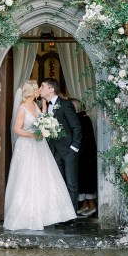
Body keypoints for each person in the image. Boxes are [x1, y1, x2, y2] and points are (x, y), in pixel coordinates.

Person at [3, 80, 76, 231]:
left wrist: (45, 120)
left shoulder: (35, 105)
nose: (39, 91)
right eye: (37, 89)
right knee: (27, 178)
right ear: (31, 92)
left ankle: (45, 214)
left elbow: (42, 118)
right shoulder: (22, 108)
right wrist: (33, 134)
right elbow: (17, 129)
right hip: (27, 146)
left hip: (39, 146)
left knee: (43, 177)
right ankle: (27, 215)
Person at [39, 78, 82, 224]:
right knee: (59, 184)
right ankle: (61, 215)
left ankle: (72, 217)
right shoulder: (45, 106)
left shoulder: (65, 105)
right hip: (54, 151)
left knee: (71, 184)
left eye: (43, 86)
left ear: (51, 89)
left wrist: (74, 148)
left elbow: (76, 127)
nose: (40, 88)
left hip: (68, 151)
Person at [70, 99, 97, 217]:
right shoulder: (82, 118)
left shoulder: (82, 119)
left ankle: (92, 205)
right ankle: (85, 204)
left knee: (86, 179)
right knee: (82, 179)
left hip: (85, 154)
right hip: (83, 153)